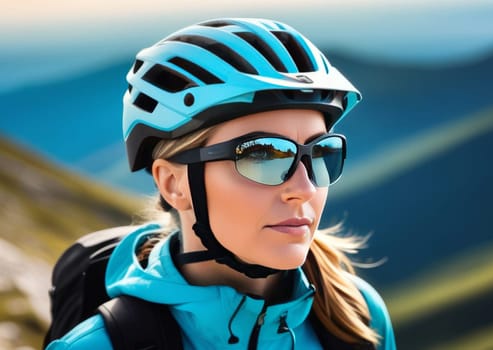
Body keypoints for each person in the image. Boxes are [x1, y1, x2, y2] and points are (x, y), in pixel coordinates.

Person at [46, 18, 396, 349]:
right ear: (173, 185)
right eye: (262, 155)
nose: (303, 189)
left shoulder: (359, 317)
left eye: (321, 152)